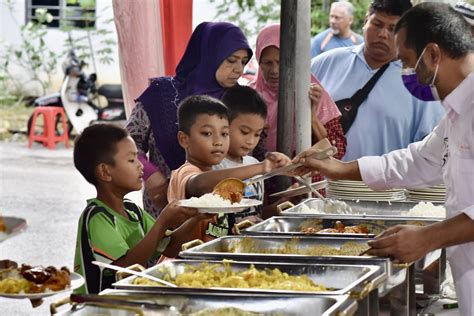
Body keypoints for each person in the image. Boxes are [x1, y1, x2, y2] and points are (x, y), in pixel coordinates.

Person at [295, 3, 474, 314]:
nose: (406, 72)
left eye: (406, 61)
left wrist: (426, 239)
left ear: (432, 54)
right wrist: (338, 169)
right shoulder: (458, 110)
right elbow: (420, 161)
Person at [126, 22, 252, 218]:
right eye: (231, 60)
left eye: (243, 62)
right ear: (209, 55)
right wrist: (151, 175)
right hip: (164, 204)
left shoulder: (240, 100)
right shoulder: (161, 93)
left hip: (221, 207)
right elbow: (129, 142)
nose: (239, 69)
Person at [72, 124, 205, 294]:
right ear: (105, 171)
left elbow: (170, 247)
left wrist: (197, 216)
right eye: (131, 160)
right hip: (100, 306)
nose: (140, 166)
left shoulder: (132, 211)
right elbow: (125, 269)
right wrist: (163, 221)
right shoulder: (97, 217)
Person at [311, 0, 445, 161]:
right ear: (365, 21)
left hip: (387, 185)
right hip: (323, 184)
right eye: (377, 24)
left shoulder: (422, 84)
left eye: (393, 29)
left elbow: (431, 151)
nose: (383, 34)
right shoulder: (324, 64)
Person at [167, 95, 291, 241]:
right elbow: (199, 184)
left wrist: (285, 201)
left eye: (224, 134)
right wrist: (262, 167)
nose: (218, 141)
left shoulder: (220, 172)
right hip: (185, 260)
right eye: (207, 133)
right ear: (184, 139)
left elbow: (243, 219)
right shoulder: (185, 172)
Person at [250, 23, 346, 160]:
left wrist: (311, 118)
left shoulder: (310, 92)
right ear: (259, 62)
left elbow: (337, 150)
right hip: (263, 177)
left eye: (281, 62)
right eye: (267, 63)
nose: (274, 71)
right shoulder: (250, 96)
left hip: (302, 178)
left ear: (293, 61)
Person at [215, 85, 287, 220]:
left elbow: (257, 214)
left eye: (257, 134)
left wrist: (284, 203)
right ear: (224, 125)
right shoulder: (216, 168)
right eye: (245, 132)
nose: (250, 141)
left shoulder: (254, 164)